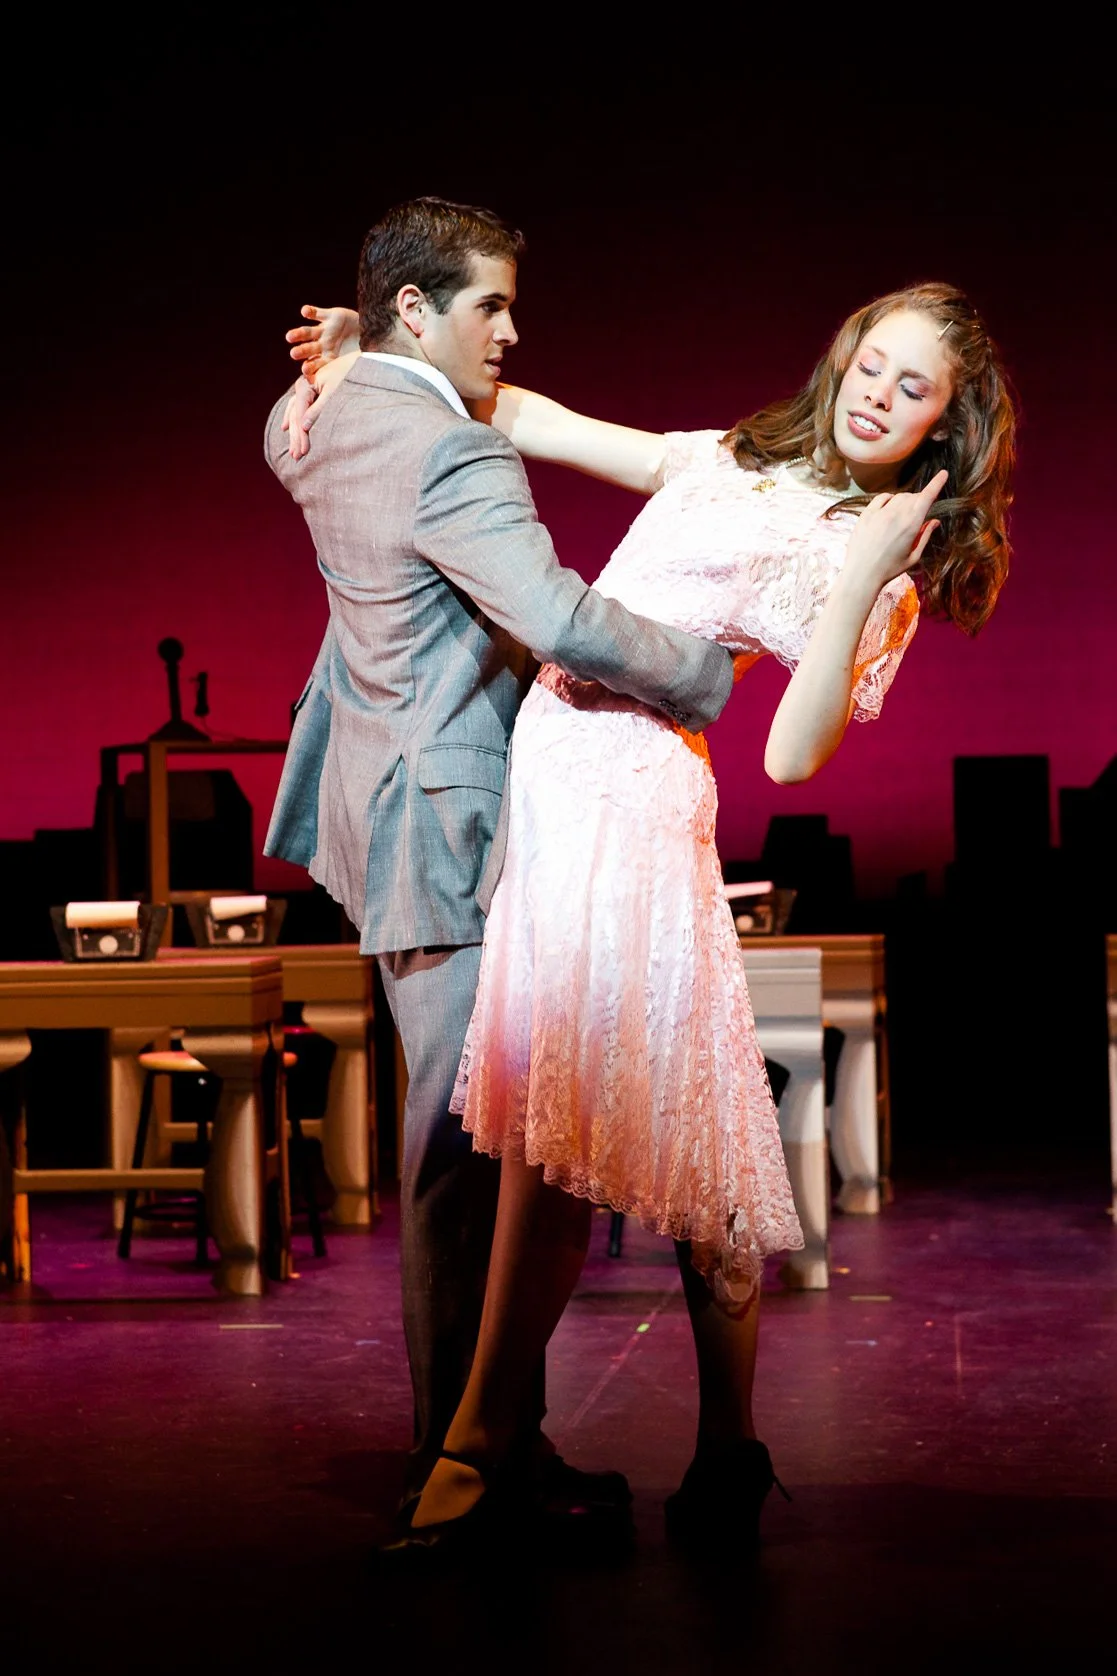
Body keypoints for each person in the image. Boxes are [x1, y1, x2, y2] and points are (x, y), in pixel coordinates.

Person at [288, 279, 1015, 1561]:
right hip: (547, 770)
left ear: (943, 435)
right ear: (840, 354)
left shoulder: (879, 568)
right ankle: (730, 1444)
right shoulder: (731, 454)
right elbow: (533, 416)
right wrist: (381, 359)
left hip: (631, 797)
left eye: (913, 391)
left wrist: (854, 577)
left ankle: (476, 1443)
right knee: (680, 1119)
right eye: (871, 363)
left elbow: (791, 756)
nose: (876, 395)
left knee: (557, 1122)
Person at [261, 196, 738, 1529]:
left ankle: (487, 1451)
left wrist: (350, 346)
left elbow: (304, 406)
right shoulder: (448, 454)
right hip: (452, 816)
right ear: (419, 310)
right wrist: (703, 673)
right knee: (469, 1149)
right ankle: (466, 1468)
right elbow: (557, 616)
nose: (513, 333)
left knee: (470, 1138)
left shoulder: (307, 418)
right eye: (491, 306)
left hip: (379, 800)